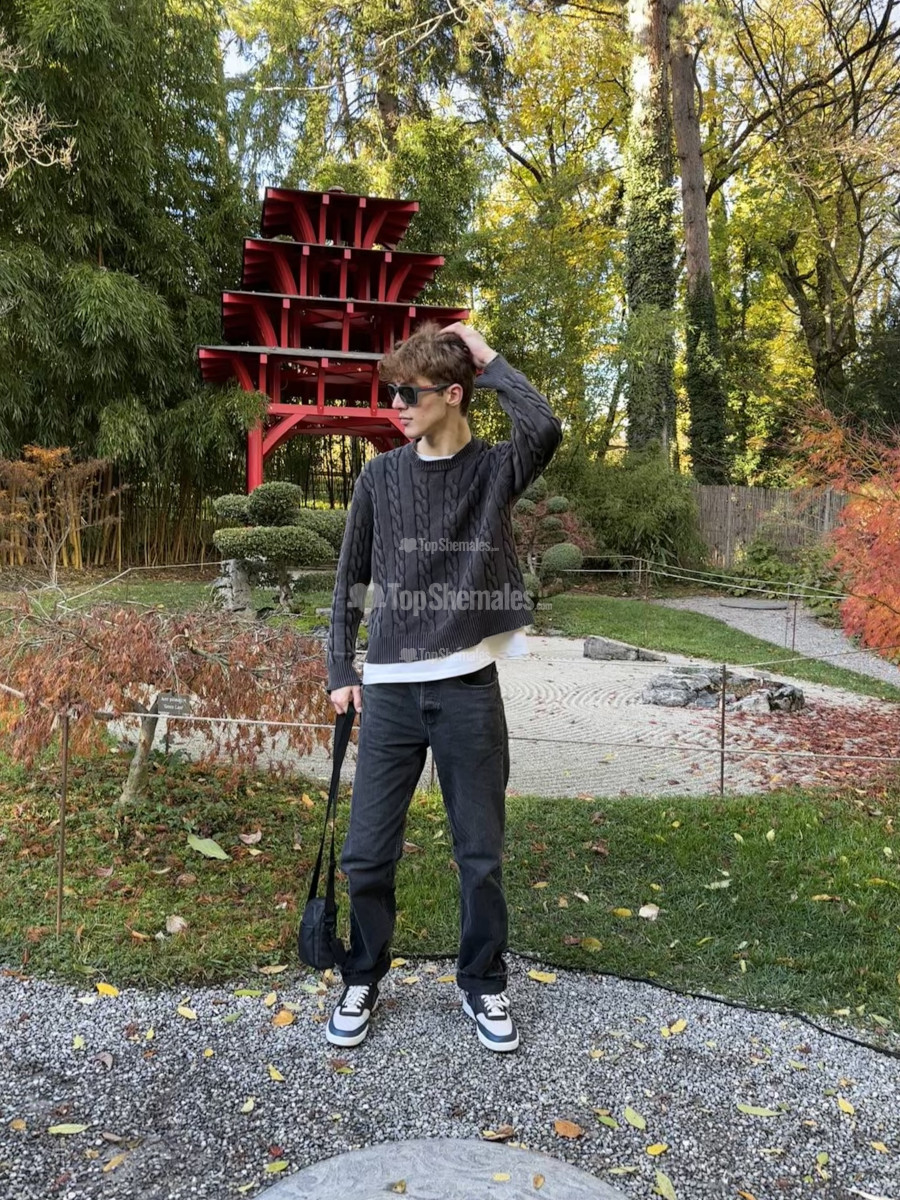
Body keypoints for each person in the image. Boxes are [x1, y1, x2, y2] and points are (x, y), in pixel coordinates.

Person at [324, 320, 562, 1053]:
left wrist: (487, 356)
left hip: (467, 688)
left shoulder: (495, 469)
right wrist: (340, 668)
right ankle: (362, 974)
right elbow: (350, 577)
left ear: (454, 394)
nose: (395, 405)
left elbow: (544, 426)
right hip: (390, 691)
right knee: (366, 854)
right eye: (392, 392)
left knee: (480, 855)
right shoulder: (379, 478)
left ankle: (483, 983)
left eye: (410, 392)